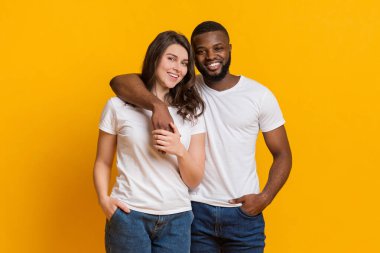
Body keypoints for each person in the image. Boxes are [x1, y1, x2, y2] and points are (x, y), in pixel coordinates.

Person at [110, 21, 292, 253]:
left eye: (218, 48)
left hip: (243, 214)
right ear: (193, 58)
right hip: (195, 211)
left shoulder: (259, 95)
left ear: (229, 49)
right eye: (201, 51)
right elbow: (120, 81)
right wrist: (158, 105)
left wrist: (265, 198)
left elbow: (282, 153)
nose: (211, 56)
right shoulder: (185, 90)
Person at [93, 31, 206, 253]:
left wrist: (179, 150)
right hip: (129, 215)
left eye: (184, 63)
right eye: (171, 58)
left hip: (178, 218)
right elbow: (102, 161)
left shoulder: (191, 112)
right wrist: (104, 201)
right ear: (155, 58)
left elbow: (194, 179)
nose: (178, 68)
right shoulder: (118, 106)